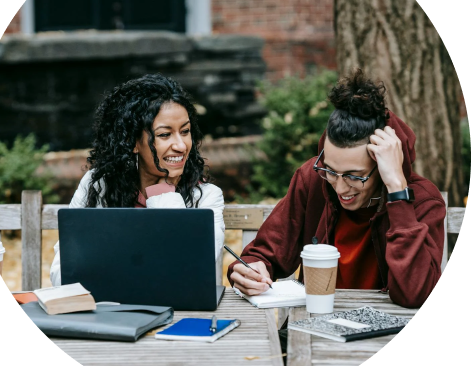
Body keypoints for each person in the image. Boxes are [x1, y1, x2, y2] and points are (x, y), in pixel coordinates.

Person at [228, 68, 446, 310]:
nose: (340, 187)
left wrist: (397, 189)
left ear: (382, 164)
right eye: (330, 170)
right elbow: (266, 252)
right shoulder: (312, 179)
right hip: (315, 325)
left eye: (355, 176)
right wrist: (249, 268)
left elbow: (415, 294)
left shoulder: (423, 201)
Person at [50, 73, 225, 288]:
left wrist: (164, 194)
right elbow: (63, 273)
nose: (181, 145)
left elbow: (187, 274)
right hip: (110, 313)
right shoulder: (98, 186)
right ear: (132, 142)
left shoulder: (206, 198)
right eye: (164, 135)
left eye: (185, 131)